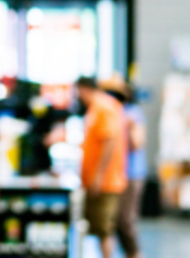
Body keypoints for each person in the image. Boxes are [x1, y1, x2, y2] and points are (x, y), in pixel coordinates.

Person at [76, 76, 128, 258]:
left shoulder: (103, 107)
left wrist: (98, 175)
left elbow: (109, 141)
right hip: (99, 180)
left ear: (83, 88)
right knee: (100, 229)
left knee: (104, 229)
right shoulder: (98, 108)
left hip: (106, 182)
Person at [104, 81, 146, 258]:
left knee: (126, 220)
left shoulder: (133, 113)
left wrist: (129, 126)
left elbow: (137, 144)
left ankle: (134, 253)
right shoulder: (111, 112)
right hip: (114, 175)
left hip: (131, 174)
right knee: (111, 221)